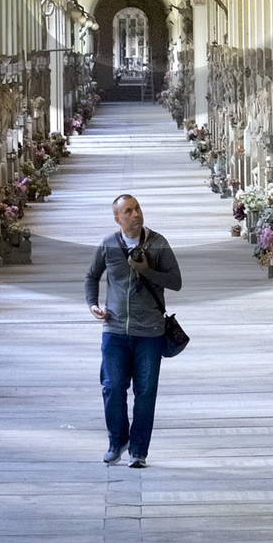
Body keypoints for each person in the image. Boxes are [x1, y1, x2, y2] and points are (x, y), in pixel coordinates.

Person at [85, 192, 182, 466]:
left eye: (137, 208)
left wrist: (145, 270)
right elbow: (92, 276)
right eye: (128, 211)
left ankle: (138, 450)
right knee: (113, 387)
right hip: (114, 330)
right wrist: (92, 304)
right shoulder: (107, 245)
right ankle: (117, 441)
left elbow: (175, 282)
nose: (135, 214)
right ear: (117, 218)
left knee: (146, 392)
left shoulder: (158, 243)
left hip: (150, 332)